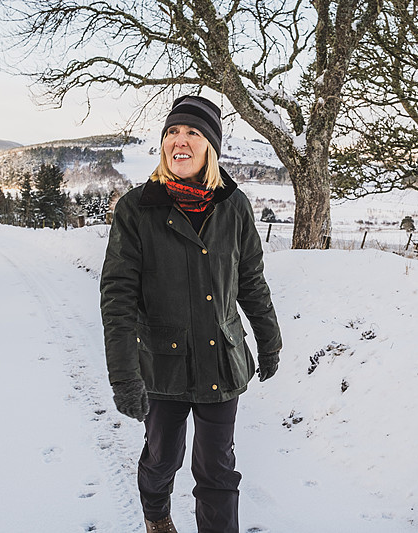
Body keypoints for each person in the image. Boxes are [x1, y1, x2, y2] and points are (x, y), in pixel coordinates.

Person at [100, 94, 282, 533]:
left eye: (192, 133)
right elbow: (118, 298)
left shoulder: (233, 206)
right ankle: (157, 517)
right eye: (172, 133)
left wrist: (269, 339)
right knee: (162, 457)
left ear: (211, 147)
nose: (179, 141)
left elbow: (251, 281)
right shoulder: (136, 209)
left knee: (218, 469)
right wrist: (124, 376)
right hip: (161, 363)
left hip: (221, 358)